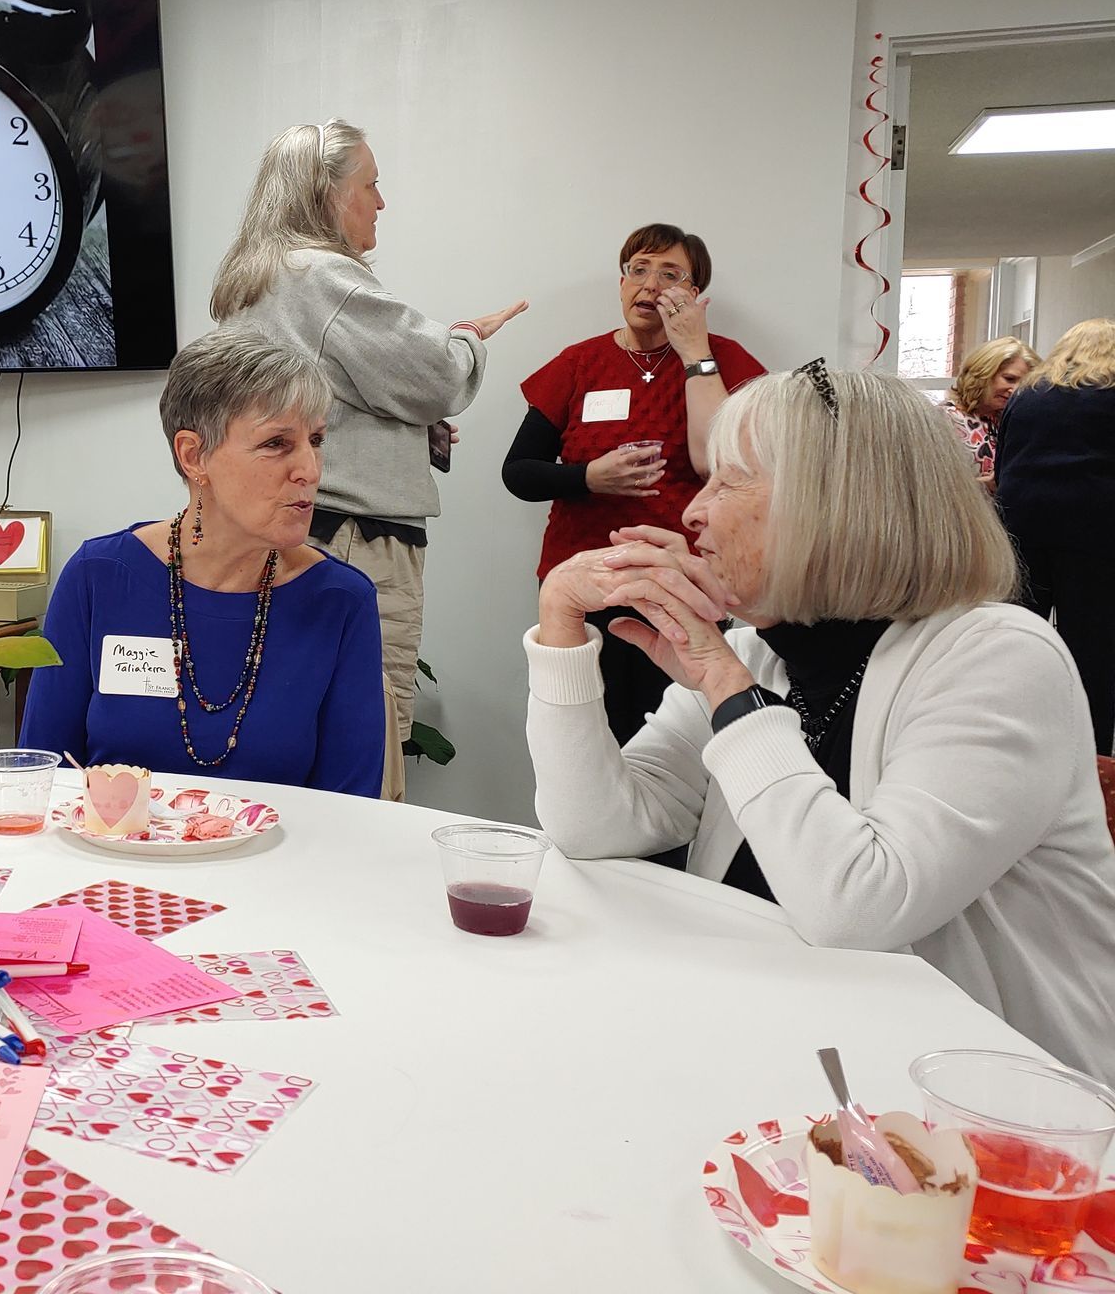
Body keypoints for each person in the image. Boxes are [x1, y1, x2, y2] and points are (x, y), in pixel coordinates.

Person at [523, 363, 1115, 1083]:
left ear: (836, 503)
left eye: (728, 480)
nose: (693, 513)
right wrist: (560, 627)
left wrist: (722, 684)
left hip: (992, 1115)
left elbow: (859, 909)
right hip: (796, 1062)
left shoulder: (1000, 658)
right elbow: (595, 826)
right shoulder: (756, 649)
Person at [209, 119, 528, 796]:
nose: (380, 202)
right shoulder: (324, 277)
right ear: (328, 196)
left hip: (279, 536)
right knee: (369, 747)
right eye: (371, 184)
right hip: (354, 545)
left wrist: (413, 434)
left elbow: (311, 405)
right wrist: (469, 338)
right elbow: (437, 372)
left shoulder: (254, 280)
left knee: (280, 736)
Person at [20, 329, 385, 798]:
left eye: (315, 440)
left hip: (279, 869)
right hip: (114, 863)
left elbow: (350, 808)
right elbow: (42, 777)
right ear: (195, 456)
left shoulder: (340, 601)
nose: (310, 470)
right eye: (277, 443)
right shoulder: (100, 576)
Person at [503, 223, 765, 745]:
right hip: (582, 581)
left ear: (693, 294)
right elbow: (519, 471)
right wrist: (587, 477)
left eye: (670, 275)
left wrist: (695, 350)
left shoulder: (725, 359)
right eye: (638, 270)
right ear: (621, 282)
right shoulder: (579, 363)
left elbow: (718, 462)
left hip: (684, 577)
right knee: (580, 731)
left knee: (673, 735)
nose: (649, 285)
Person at [995, 317, 1115, 754]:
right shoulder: (1110, 393)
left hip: (1024, 523)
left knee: (1015, 636)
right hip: (1095, 532)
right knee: (1092, 647)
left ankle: (1008, 737)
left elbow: (1006, 455)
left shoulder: (1027, 395)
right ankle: (1091, 751)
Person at [941, 335, 1034, 490]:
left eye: (1025, 383)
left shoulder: (1007, 419)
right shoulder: (945, 419)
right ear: (983, 374)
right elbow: (928, 484)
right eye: (1009, 379)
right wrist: (984, 486)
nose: (1016, 390)